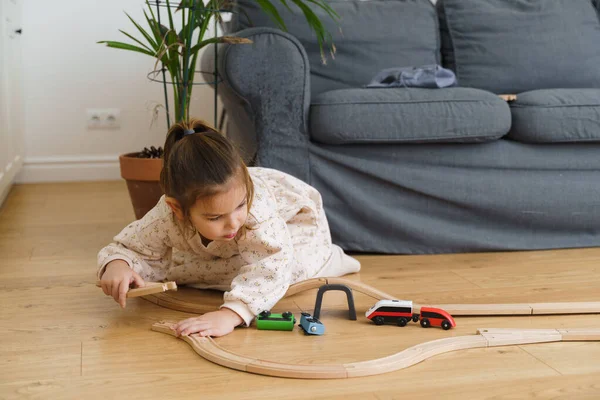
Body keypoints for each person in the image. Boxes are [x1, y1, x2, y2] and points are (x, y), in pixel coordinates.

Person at [97, 119, 360, 338]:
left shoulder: (255, 211)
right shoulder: (165, 216)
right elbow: (132, 245)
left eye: (239, 206)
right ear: (178, 210)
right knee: (169, 270)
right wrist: (119, 265)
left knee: (291, 269)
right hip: (230, 247)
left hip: (292, 225)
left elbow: (273, 261)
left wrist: (232, 314)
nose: (234, 221)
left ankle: (330, 257)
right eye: (215, 217)